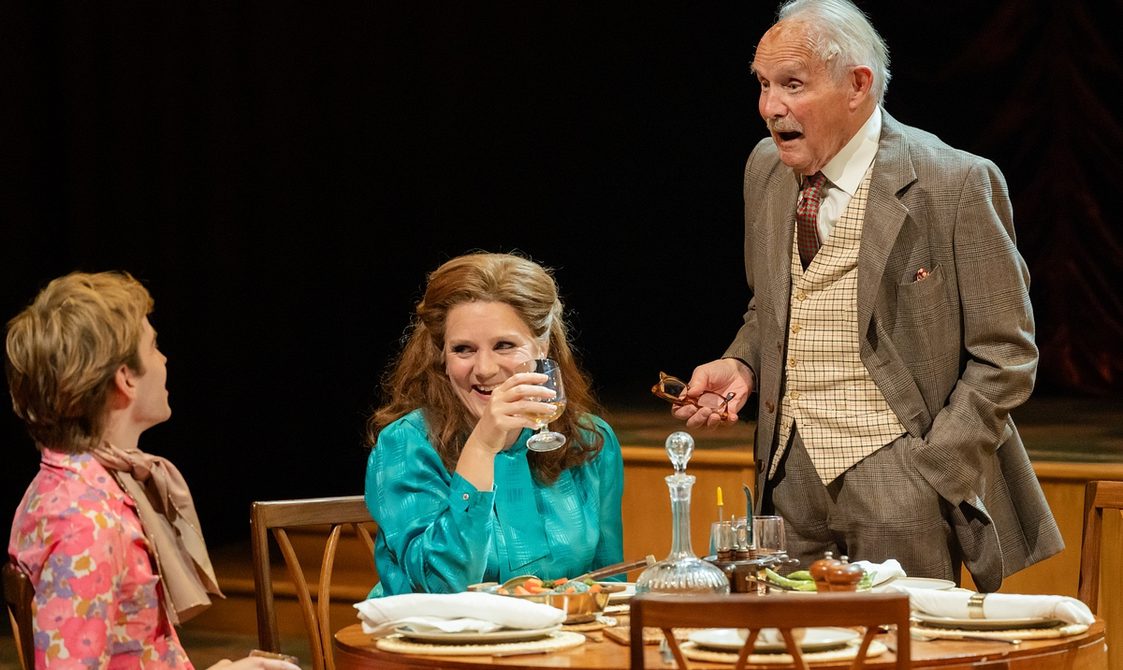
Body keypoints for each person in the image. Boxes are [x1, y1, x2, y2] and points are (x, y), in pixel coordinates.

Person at [673, 0, 1061, 591]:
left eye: (792, 85)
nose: (770, 107)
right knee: (786, 638)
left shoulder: (953, 182)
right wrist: (743, 363)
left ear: (858, 85)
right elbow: (771, 306)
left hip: (903, 476)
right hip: (787, 476)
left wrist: (933, 466)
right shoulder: (765, 169)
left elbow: (1007, 354)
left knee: (901, 638)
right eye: (764, 84)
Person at [5, 271, 299, 670]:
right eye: (153, 346)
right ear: (125, 378)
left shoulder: (80, 485)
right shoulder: (85, 521)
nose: (164, 359)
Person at [364, 252, 624, 596]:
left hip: (562, 630)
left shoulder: (589, 439)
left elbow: (608, 582)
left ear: (542, 347)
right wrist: (483, 445)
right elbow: (442, 586)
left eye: (504, 345)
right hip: (438, 630)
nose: (484, 369)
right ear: (442, 356)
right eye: (463, 349)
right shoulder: (406, 443)